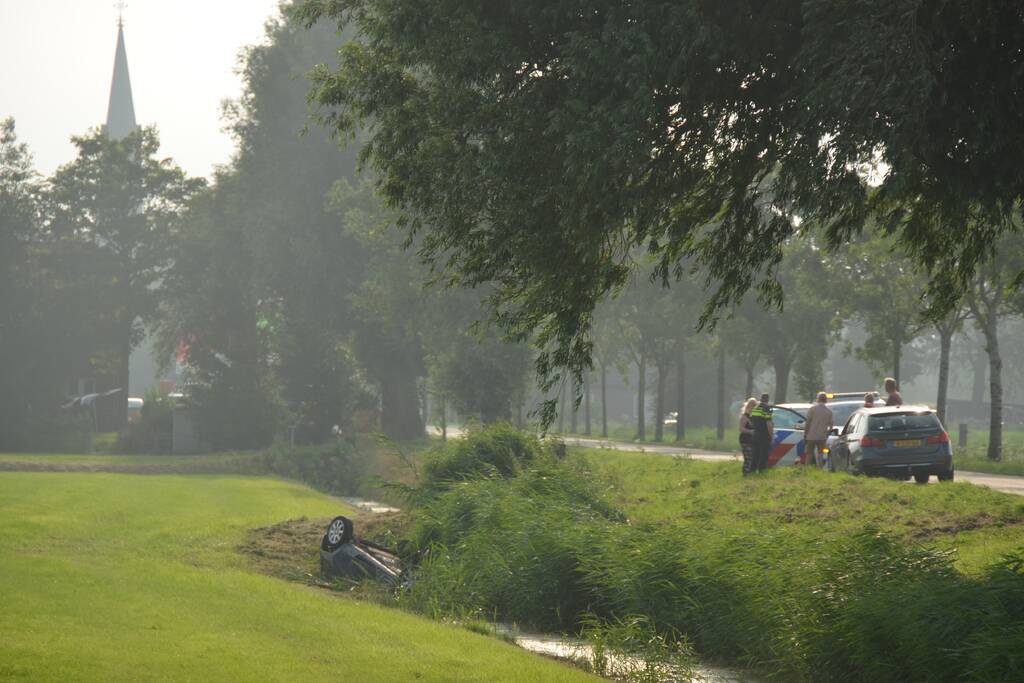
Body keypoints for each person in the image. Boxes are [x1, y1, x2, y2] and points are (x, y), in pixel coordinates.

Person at [803, 392, 833, 468]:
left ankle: (807, 469)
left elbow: (808, 422)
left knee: (809, 454)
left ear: (817, 399)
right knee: (820, 454)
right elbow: (831, 425)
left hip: (811, 436)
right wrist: (827, 433)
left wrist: (806, 433)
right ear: (826, 400)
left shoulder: (812, 409)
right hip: (822, 436)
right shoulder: (829, 411)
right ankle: (820, 469)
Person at [749, 393, 774, 473]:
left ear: (761, 399)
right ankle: (761, 471)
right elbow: (768, 423)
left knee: (755, 454)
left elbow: (751, 422)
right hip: (764, 434)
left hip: (756, 434)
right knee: (764, 454)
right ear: (767, 399)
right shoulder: (766, 408)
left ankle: (752, 470)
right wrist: (771, 435)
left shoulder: (755, 408)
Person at [738, 397, 758, 476]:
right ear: (748, 406)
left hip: (751, 440)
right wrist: (750, 431)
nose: (753, 407)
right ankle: (746, 474)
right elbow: (741, 428)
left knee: (751, 457)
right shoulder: (744, 416)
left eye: (755, 405)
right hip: (745, 440)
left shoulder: (752, 416)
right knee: (748, 458)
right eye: (752, 405)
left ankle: (749, 473)